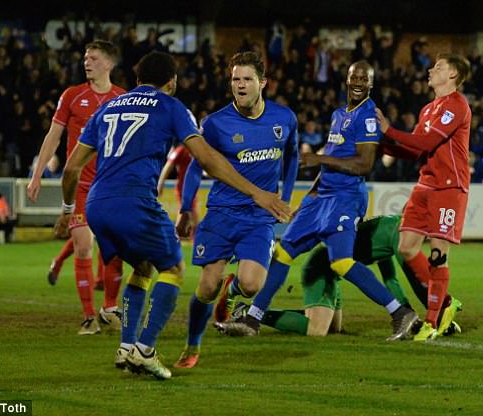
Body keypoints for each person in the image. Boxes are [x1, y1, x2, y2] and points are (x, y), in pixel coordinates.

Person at [55, 51, 291, 380]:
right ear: (172, 82)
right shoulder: (171, 106)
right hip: (135, 200)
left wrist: (68, 209)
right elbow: (206, 160)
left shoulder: (107, 107)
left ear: (137, 81)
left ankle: (126, 346)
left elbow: (71, 169)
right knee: (174, 269)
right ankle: (146, 349)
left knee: (143, 266)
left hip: (96, 203)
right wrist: (256, 192)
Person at [215, 60, 418, 341]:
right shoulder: (339, 115)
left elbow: (364, 164)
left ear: (371, 84)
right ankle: (252, 320)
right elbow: (328, 167)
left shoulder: (367, 116)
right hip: (321, 199)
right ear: (346, 80)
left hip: (345, 198)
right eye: (354, 77)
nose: (358, 82)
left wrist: (319, 157)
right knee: (283, 253)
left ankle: (400, 313)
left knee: (342, 262)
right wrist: (307, 199)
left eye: (364, 79)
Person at [172, 51, 299, 369]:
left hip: (258, 216)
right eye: (235, 79)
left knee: (253, 284)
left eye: (247, 79)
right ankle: (192, 345)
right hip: (222, 213)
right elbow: (195, 167)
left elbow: (293, 156)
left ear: (263, 83)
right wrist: (186, 208)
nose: (240, 85)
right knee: (206, 286)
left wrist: (283, 195)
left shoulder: (284, 119)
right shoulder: (215, 124)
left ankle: (233, 291)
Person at [26, 40, 126, 335]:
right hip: (80, 185)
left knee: (114, 249)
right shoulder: (72, 96)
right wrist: (37, 174)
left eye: (93, 58)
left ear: (108, 64)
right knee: (84, 245)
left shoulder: (122, 98)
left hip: (110, 185)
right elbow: (53, 137)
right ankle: (87, 317)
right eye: (85, 58)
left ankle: (109, 308)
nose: (87, 62)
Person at [224, 215, 462, 337]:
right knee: (317, 330)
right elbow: (417, 280)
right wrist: (433, 317)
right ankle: (246, 312)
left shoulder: (390, 228)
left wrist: (416, 317)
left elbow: (391, 279)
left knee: (332, 329)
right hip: (320, 268)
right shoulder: (400, 233)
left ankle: (255, 313)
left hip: (333, 272)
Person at [376, 53, 472, 341]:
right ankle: (445, 304)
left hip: (449, 187)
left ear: (453, 75)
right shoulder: (429, 109)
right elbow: (416, 149)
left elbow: (428, 141)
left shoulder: (457, 105)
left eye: (439, 67)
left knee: (437, 256)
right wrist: (380, 144)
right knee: (406, 248)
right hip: (425, 185)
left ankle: (432, 321)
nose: (431, 70)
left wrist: (389, 130)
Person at [157, 142, 199, 231]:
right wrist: (160, 185)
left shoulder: (196, 150)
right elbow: (167, 167)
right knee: (190, 216)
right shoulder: (181, 150)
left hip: (192, 188)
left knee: (190, 216)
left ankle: (184, 239)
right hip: (183, 188)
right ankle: (185, 239)